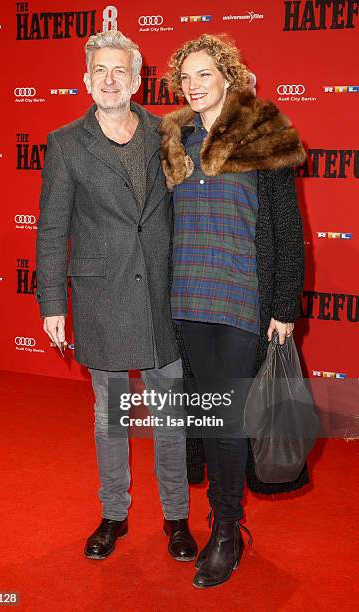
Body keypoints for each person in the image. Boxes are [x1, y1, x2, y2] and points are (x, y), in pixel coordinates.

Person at [36, 30, 197, 562]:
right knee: (110, 418)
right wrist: (52, 302)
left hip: (161, 295)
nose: (109, 80)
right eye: (100, 71)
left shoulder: (165, 131)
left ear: (135, 78)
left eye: (119, 71)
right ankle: (114, 514)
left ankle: (176, 518)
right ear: (86, 80)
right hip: (101, 296)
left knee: (171, 418)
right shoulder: (64, 143)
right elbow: (52, 229)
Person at [159, 33, 306, 588]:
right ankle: (222, 519)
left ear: (227, 76)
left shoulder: (261, 132)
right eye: (185, 78)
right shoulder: (173, 138)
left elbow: (287, 228)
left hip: (242, 298)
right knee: (208, 415)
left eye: (204, 74)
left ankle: (226, 529)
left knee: (227, 420)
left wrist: (284, 304)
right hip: (188, 298)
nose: (193, 86)